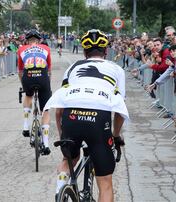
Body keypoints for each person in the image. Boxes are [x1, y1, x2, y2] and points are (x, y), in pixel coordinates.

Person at [43, 29, 128, 202]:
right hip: (98, 120)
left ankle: (60, 188)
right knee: (105, 183)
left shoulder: (73, 67)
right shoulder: (116, 69)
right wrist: (116, 136)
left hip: (71, 116)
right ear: (106, 51)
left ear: (84, 52)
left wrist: (63, 135)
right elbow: (119, 109)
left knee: (69, 160)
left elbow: (59, 109)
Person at [17, 29, 52, 155]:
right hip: (42, 78)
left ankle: (26, 126)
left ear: (27, 40)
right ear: (39, 40)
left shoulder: (21, 49)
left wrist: (24, 85)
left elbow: (20, 71)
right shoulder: (46, 48)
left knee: (28, 95)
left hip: (28, 77)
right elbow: (49, 70)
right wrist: (48, 86)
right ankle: (46, 144)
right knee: (45, 110)